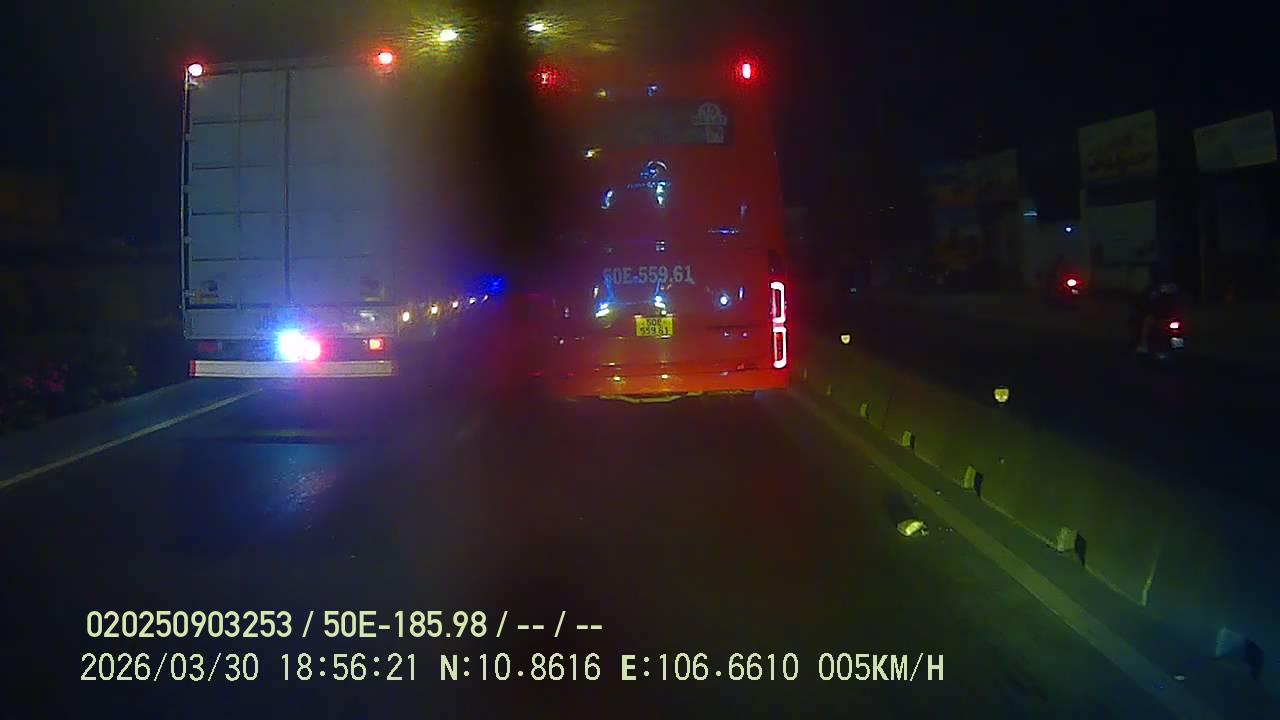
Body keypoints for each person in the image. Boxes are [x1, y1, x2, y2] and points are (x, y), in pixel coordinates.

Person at [1131, 262, 1181, 352]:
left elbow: (1148, 298)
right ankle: (1178, 347)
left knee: (1146, 323)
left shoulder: (1156, 287)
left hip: (1161, 315)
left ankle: (1144, 345)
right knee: (1177, 331)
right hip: (1174, 315)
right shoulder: (1173, 286)